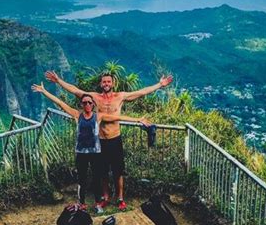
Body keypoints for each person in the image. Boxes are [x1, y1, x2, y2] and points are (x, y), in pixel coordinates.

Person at [45, 70, 172, 210]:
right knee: (102, 172)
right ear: (101, 83)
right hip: (100, 141)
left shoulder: (121, 96)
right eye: (104, 81)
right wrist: (58, 81)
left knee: (118, 172)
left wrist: (159, 85)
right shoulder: (93, 98)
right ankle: (105, 197)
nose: (106, 84)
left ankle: (120, 198)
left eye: (108, 81)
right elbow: (75, 90)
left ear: (113, 83)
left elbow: (141, 92)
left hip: (115, 139)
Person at [32, 82, 150, 213]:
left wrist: (137, 119)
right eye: (84, 103)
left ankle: (98, 203)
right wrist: (44, 91)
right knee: (82, 179)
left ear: (93, 104)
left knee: (97, 178)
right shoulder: (77, 115)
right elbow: (60, 103)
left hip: (95, 153)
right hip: (81, 153)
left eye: (89, 102)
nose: (87, 105)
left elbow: (118, 117)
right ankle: (81, 203)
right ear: (81, 105)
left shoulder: (98, 116)